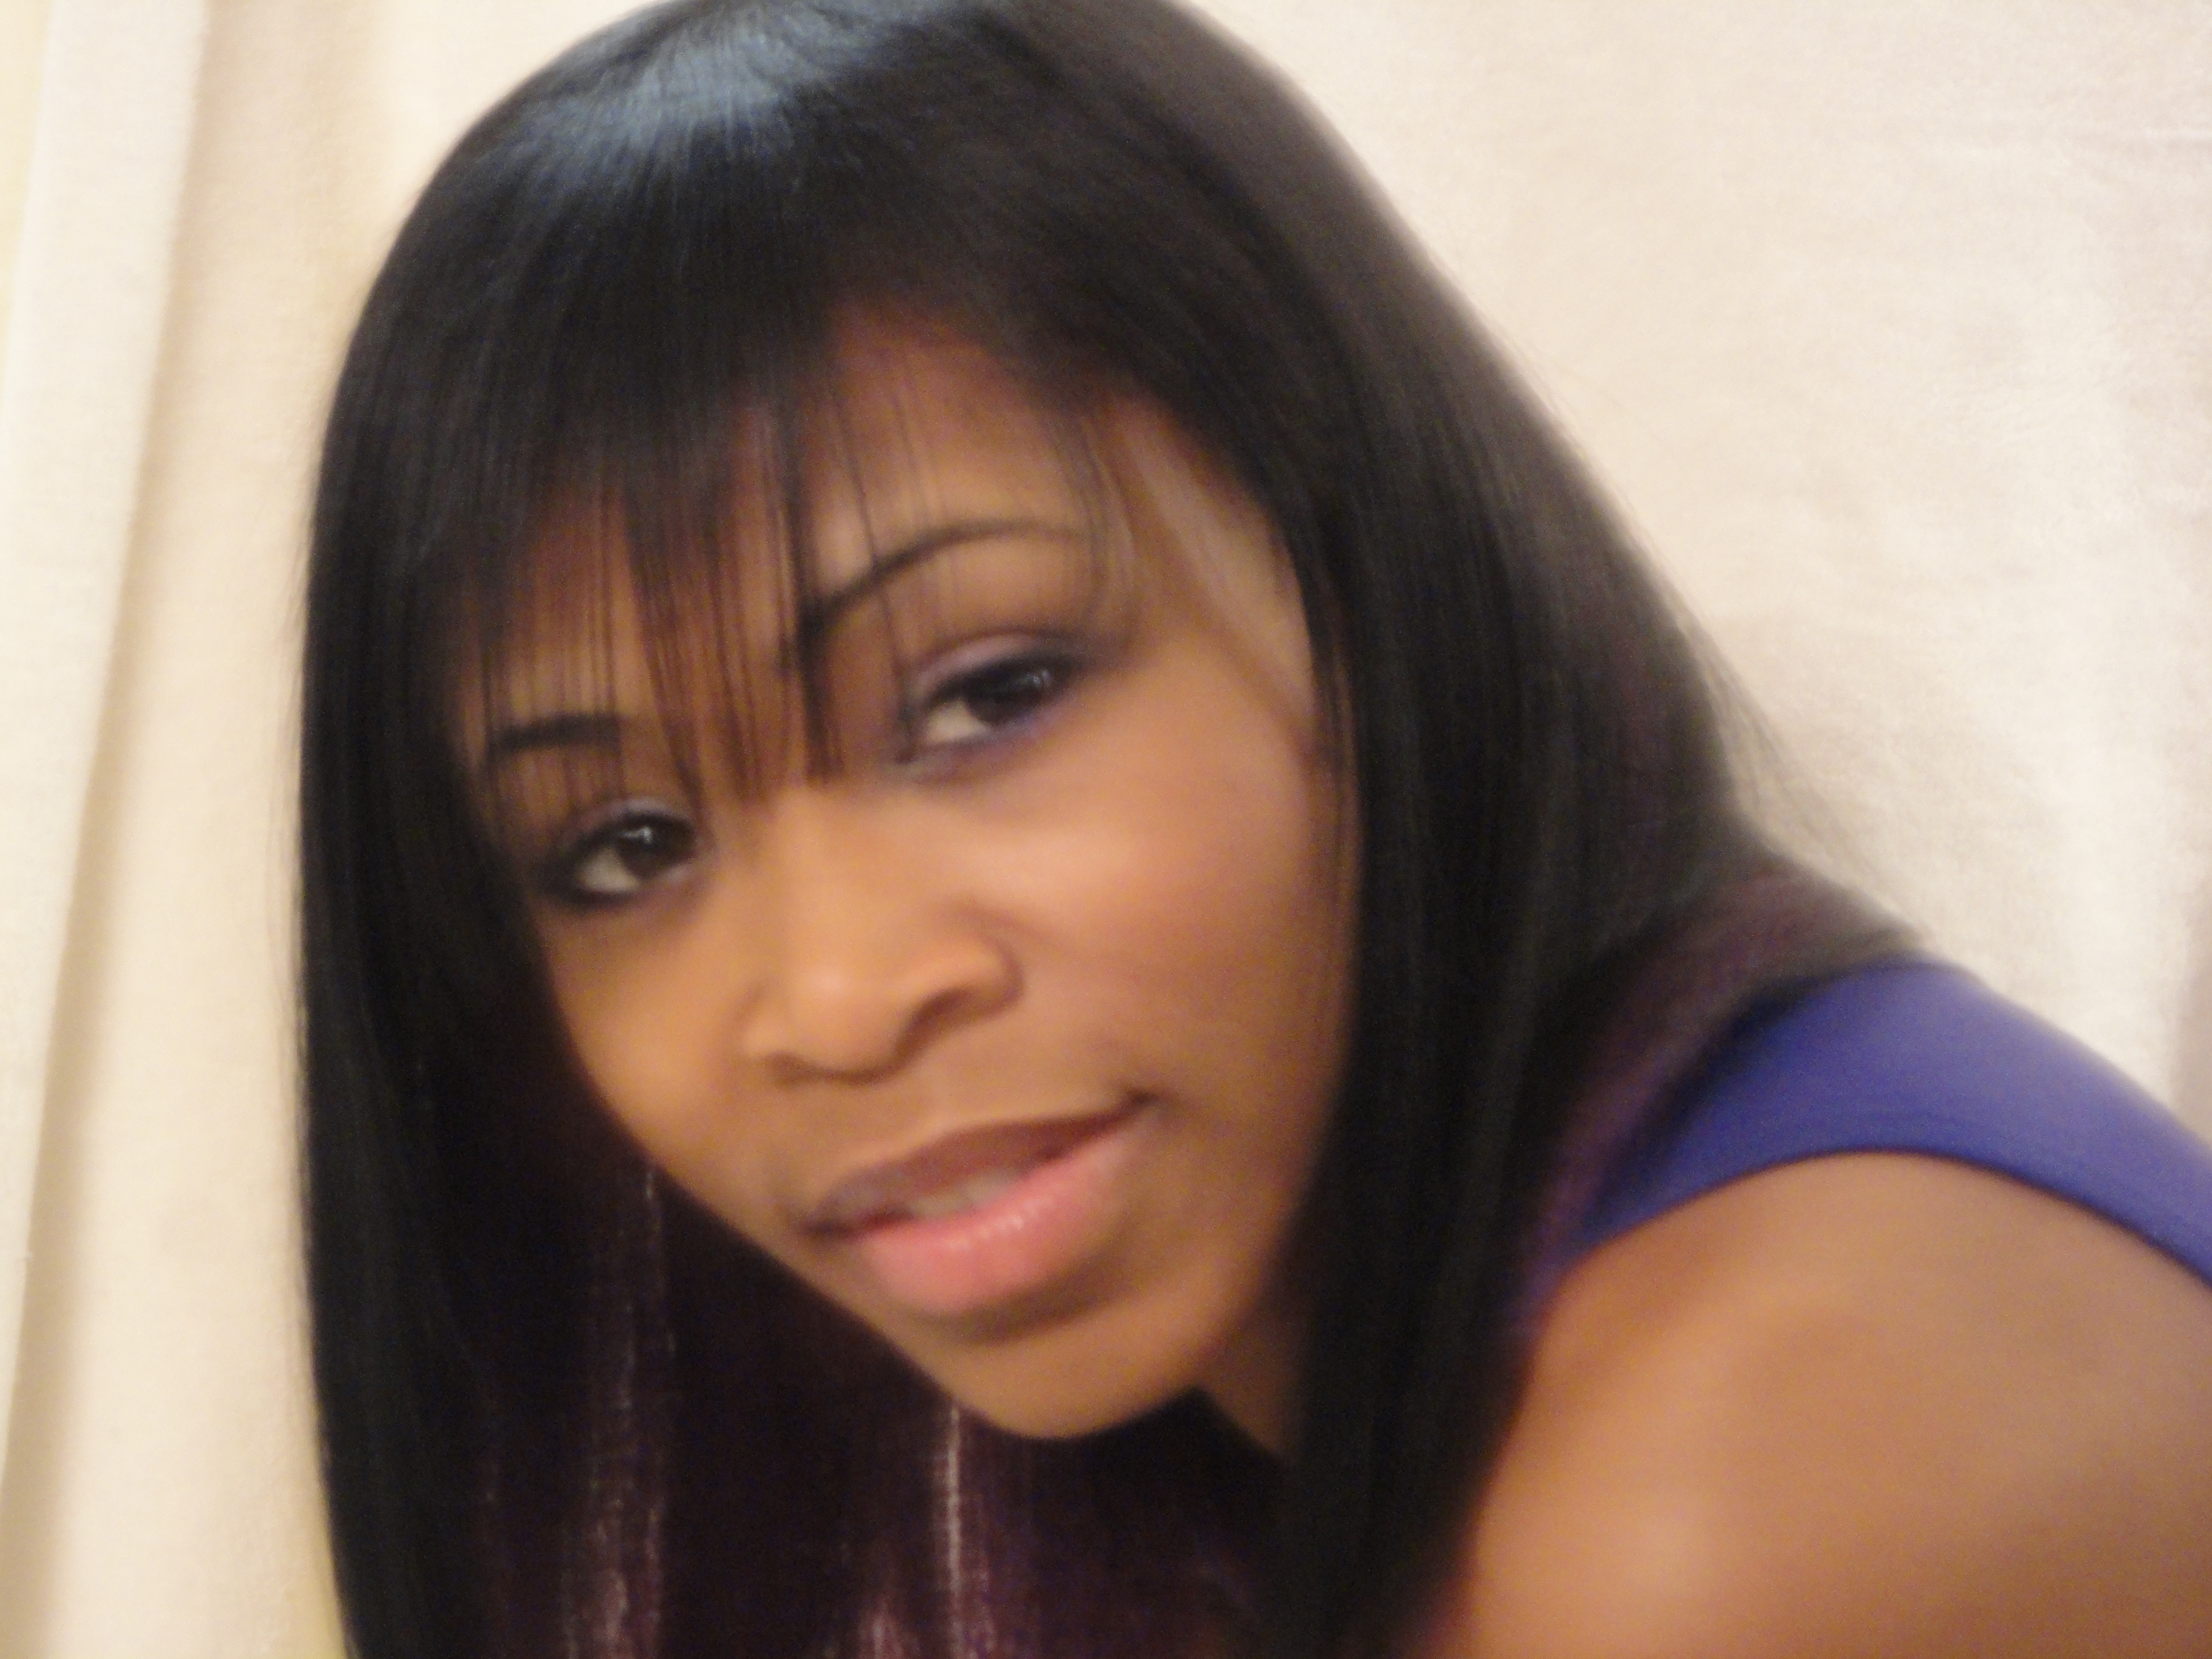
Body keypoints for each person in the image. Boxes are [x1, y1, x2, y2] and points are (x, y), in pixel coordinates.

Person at [296, 1, 2212, 1655]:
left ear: (1376, 592)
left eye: (988, 695)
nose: (839, 998)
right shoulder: (1401, 1353)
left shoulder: (1747, 1488)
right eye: (626, 847)